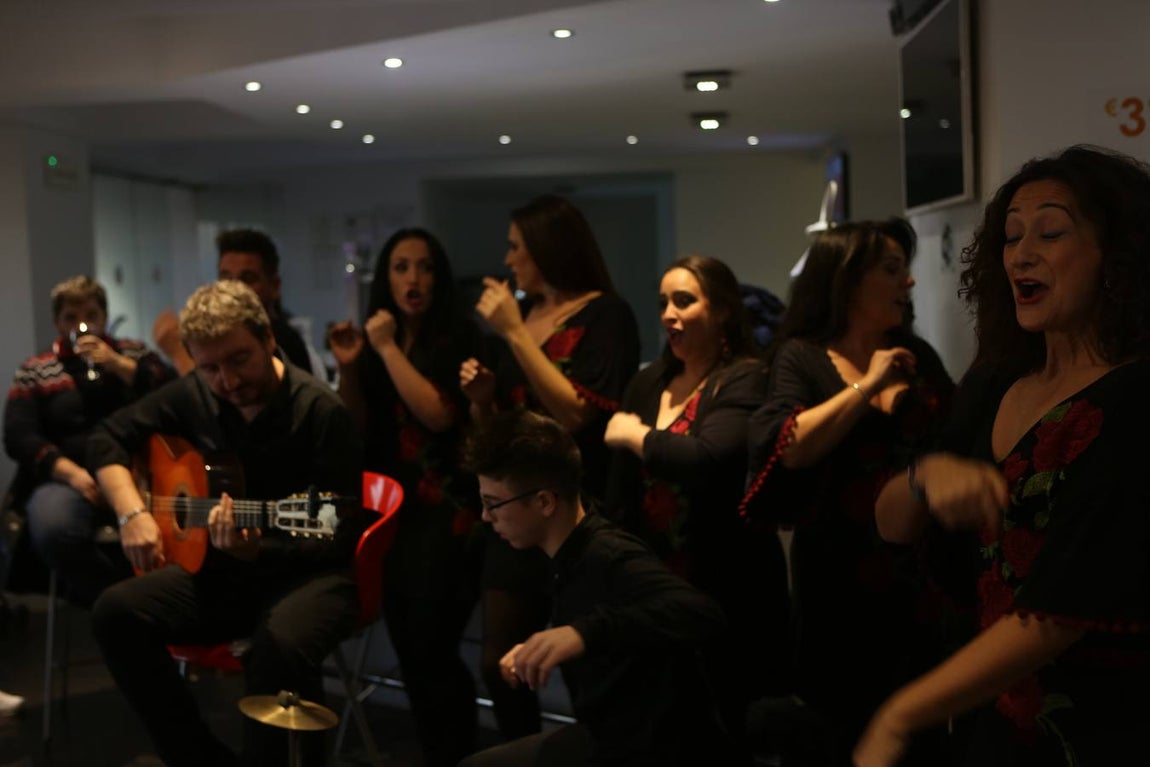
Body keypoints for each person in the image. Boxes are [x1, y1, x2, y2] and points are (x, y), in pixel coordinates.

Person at [855, 146, 1150, 766]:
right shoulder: (993, 383)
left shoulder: (1136, 398)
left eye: (1050, 232)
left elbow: (1061, 610)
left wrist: (900, 715)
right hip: (990, 723)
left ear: (1117, 257)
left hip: (1104, 731)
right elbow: (888, 522)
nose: (1021, 253)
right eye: (1011, 236)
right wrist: (923, 480)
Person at [88, 280, 364, 767]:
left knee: (277, 646)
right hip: (227, 574)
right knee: (116, 611)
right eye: (210, 367)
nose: (228, 381)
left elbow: (336, 536)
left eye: (240, 360)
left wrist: (260, 550)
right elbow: (108, 437)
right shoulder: (196, 393)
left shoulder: (320, 412)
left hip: (311, 574)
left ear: (269, 340)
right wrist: (132, 513)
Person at [740, 219, 956, 764]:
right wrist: (869, 386)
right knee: (839, 731)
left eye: (905, 270)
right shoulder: (803, 357)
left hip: (919, 581)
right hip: (837, 585)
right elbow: (790, 447)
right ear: (844, 280)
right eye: (891, 270)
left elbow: (959, 440)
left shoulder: (919, 356)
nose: (907, 283)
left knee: (921, 729)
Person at [458, 409, 735, 767]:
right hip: (610, 738)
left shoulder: (607, 553)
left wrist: (581, 633)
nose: (485, 516)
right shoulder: (565, 554)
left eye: (493, 504)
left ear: (544, 501)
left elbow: (702, 612)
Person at [459, 195, 640, 739]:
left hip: (573, 509)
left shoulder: (605, 313)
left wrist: (514, 333)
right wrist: (483, 399)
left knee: (588, 660)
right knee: (500, 661)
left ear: (547, 249)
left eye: (517, 247)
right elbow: (503, 426)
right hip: (513, 511)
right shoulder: (527, 315)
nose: (509, 259)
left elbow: (577, 410)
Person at [603, 255, 789, 749]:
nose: (668, 313)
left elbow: (707, 458)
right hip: (654, 587)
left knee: (725, 728)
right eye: (663, 301)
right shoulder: (650, 382)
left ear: (724, 310)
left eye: (684, 300)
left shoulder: (747, 378)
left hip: (726, 585)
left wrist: (635, 434)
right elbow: (621, 491)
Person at [328, 228, 482, 767]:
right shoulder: (375, 342)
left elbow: (439, 413)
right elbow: (357, 425)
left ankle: (459, 753)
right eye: (400, 267)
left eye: (423, 267)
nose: (412, 279)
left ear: (439, 276)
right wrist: (350, 366)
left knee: (434, 648)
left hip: (447, 510)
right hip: (390, 512)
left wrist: (388, 346)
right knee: (411, 650)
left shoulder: (459, 336)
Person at [3, 275, 174, 606]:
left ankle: (159, 602)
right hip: (70, 480)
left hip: (138, 475)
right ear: (57, 322)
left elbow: (172, 391)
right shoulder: (37, 369)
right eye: (71, 317)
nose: (82, 325)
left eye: (91, 316)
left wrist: (118, 364)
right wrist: (70, 473)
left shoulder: (133, 353)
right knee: (53, 528)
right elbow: (18, 436)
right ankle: (120, 601)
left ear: (105, 316)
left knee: (181, 526)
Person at [154, 228, 318, 376]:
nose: (234, 289)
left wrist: (180, 355)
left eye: (248, 279)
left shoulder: (285, 343)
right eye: (226, 278)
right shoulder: (222, 338)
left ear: (274, 286)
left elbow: (226, 403)